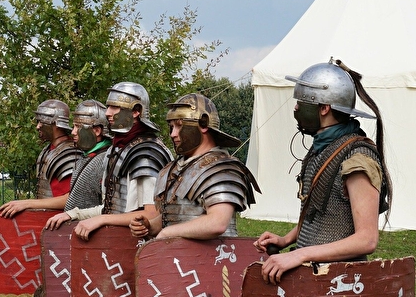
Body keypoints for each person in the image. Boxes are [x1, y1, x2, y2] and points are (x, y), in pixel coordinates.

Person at [253, 59, 391, 284]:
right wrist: (286, 240)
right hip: (315, 278)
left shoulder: (357, 158)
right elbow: (320, 215)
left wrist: (299, 254)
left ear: (324, 107)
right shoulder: (322, 150)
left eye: (302, 102)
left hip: (342, 281)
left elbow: (367, 240)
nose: (296, 108)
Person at [129, 93, 259, 240]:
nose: (173, 134)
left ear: (203, 125)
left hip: (213, 259)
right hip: (177, 258)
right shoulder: (174, 169)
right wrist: (151, 226)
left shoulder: (222, 169)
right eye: (171, 127)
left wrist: (167, 233)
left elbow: (217, 223)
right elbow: (178, 216)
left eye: (180, 126)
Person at [72, 82, 173, 239]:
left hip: (140, 247)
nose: (107, 113)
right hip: (119, 243)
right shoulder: (119, 148)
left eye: (114, 107)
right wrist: (73, 214)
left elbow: (151, 215)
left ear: (136, 111)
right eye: (108, 107)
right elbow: (111, 209)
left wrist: (102, 219)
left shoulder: (146, 153)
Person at [0, 99, 82, 218]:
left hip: (61, 224)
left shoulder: (68, 154)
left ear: (55, 124)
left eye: (42, 122)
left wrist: (28, 203)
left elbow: (71, 199)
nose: (38, 127)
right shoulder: (48, 150)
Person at [44, 99, 113, 230]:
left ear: (97, 131)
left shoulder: (107, 160)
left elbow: (111, 208)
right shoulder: (85, 158)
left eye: (78, 127)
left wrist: (74, 215)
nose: (73, 132)